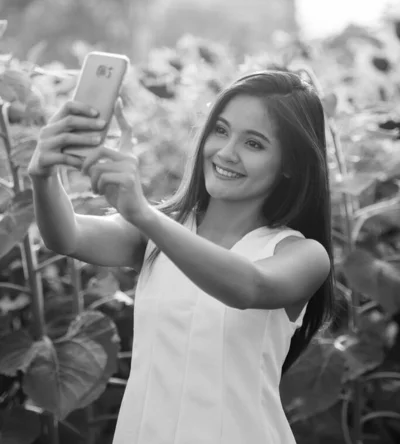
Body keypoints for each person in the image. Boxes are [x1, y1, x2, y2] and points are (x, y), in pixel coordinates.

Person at [28, 70, 335, 444]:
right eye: (220, 130)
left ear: (290, 164)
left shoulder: (302, 254)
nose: (225, 152)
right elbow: (67, 236)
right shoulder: (159, 232)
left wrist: (142, 212)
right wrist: (44, 175)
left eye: (254, 144)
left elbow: (249, 288)